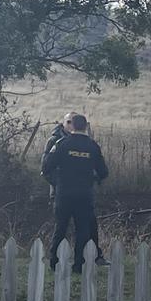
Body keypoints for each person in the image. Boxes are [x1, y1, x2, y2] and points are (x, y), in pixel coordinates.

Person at [41, 112, 109, 266]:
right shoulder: (93, 146)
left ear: (72, 126)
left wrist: (58, 181)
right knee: (83, 230)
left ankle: (54, 261)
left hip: (64, 193)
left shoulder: (61, 144)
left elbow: (46, 167)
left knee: (60, 228)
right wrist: (93, 179)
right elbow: (104, 172)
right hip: (84, 194)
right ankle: (79, 263)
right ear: (85, 127)